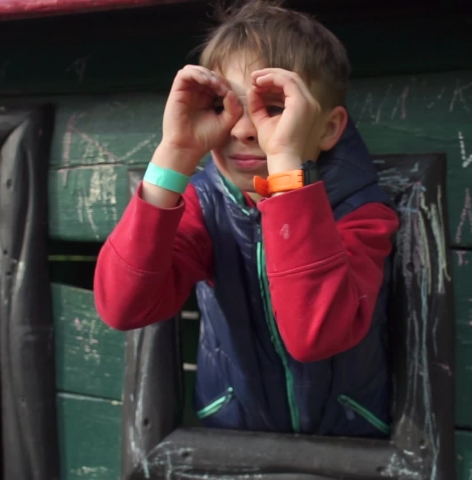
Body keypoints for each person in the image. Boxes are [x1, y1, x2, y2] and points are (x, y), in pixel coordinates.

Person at [94, 0, 399, 438]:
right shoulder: (205, 205)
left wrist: (287, 170)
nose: (243, 129)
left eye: (273, 108)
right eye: (226, 106)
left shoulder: (360, 211)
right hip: (234, 434)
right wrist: (175, 155)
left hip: (352, 435)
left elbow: (316, 335)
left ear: (329, 129)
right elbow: (123, 306)